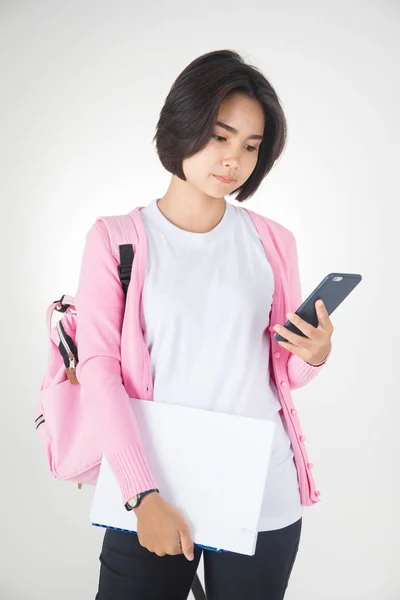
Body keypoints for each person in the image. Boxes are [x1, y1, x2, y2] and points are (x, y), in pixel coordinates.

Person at [75, 48, 333, 600]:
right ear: (183, 125)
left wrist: (311, 355)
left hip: (263, 491)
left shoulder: (272, 241)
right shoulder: (116, 239)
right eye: (220, 136)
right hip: (156, 489)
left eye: (250, 146)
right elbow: (100, 373)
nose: (232, 160)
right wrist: (141, 496)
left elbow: (282, 372)